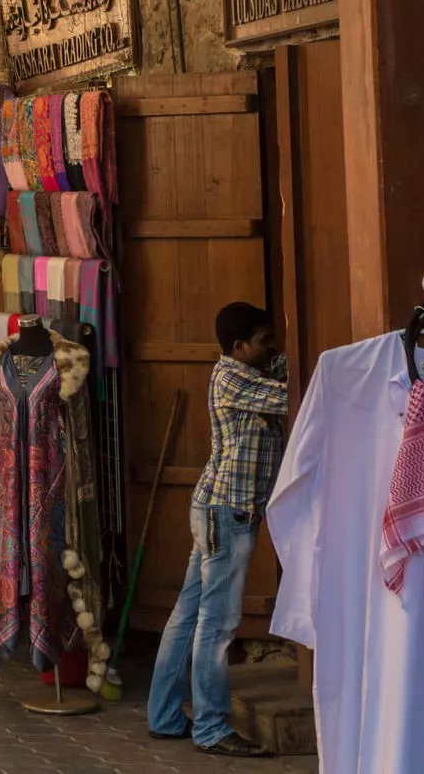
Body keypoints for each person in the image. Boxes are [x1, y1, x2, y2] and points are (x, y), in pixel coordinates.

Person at [148, 302, 289, 758]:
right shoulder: (233, 379)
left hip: (215, 510)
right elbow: (292, 397)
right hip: (228, 514)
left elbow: (281, 377)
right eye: (265, 342)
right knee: (217, 624)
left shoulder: (244, 372)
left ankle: (165, 716)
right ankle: (210, 727)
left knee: (189, 615)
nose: (273, 348)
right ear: (239, 346)